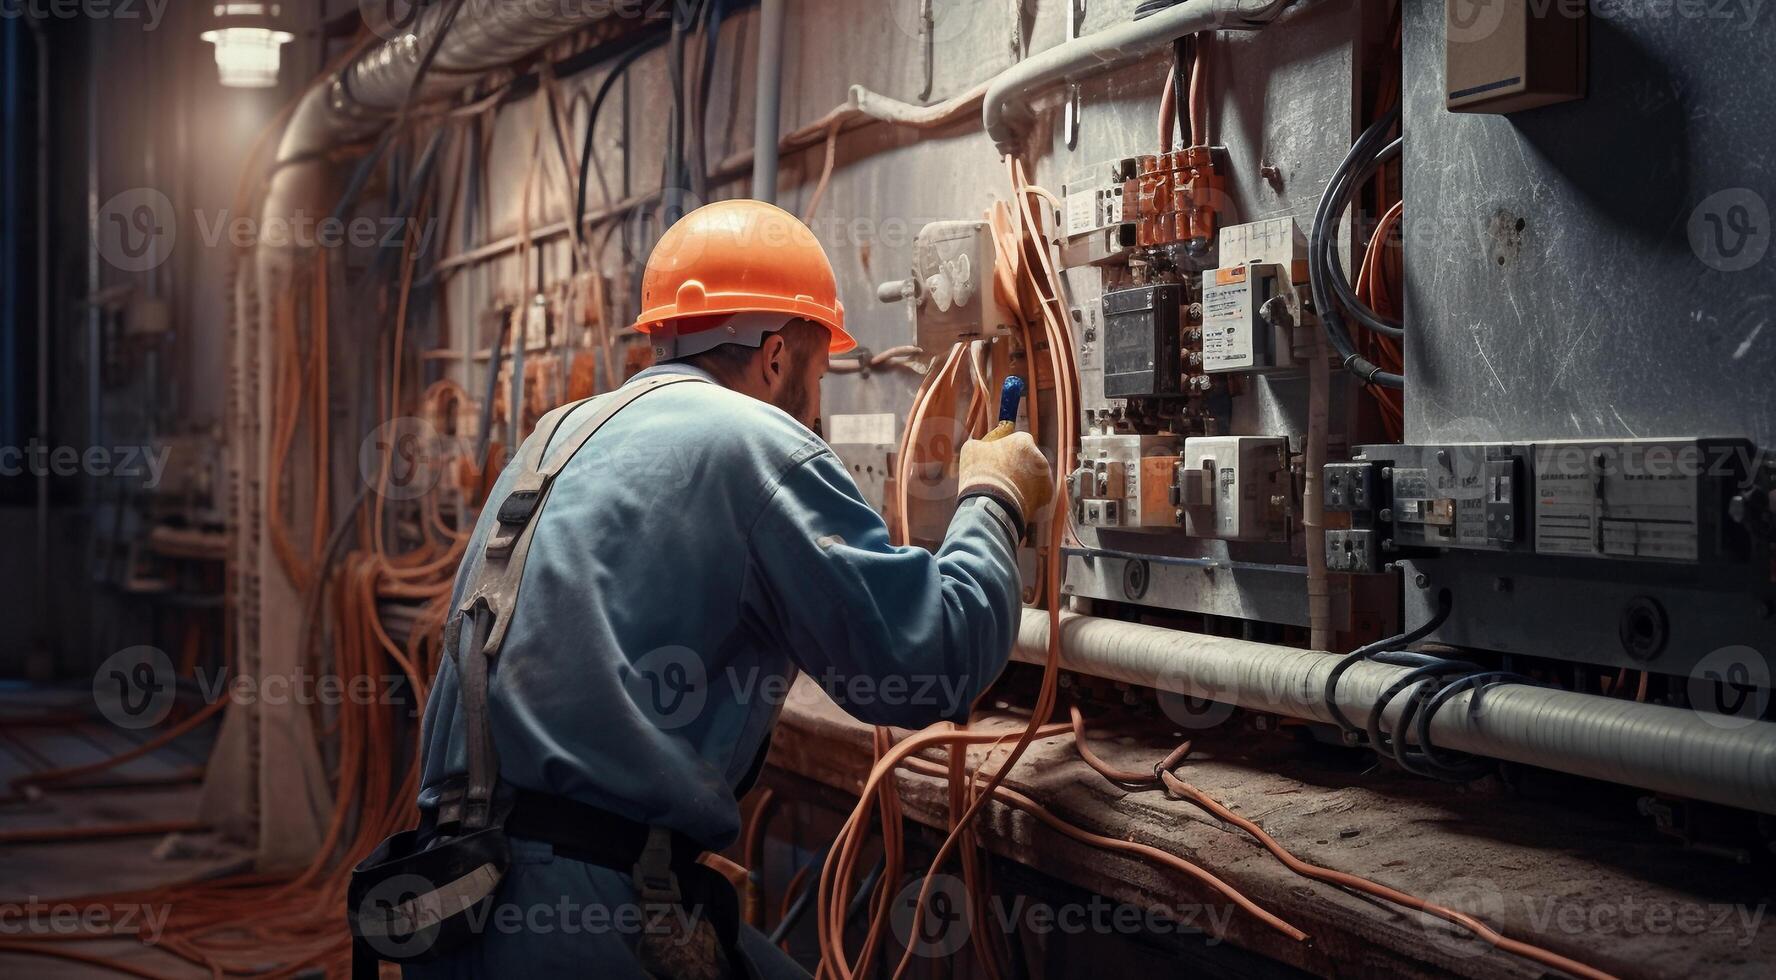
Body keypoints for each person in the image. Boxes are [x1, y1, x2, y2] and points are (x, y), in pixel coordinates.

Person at [379, 200, 1053, 979]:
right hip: (581, 916)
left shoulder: (557, 434)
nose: (815, 404)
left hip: (460, 899)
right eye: (817, 371)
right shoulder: (755, 442)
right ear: (773, 357)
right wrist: (993, 499)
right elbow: (930, 659)